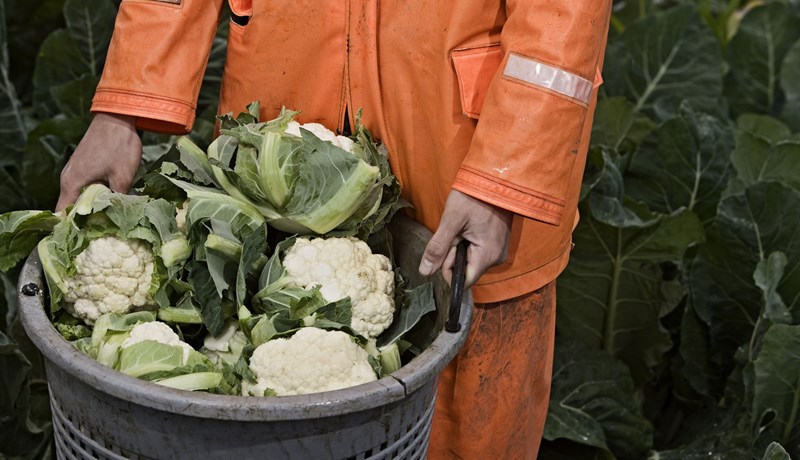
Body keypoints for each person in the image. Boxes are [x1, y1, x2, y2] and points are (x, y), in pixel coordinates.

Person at [56, 1, 612, 458]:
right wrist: (122, 109)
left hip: (467, 151)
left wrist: (504, 175)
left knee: (469, 412)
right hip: (277, 153)